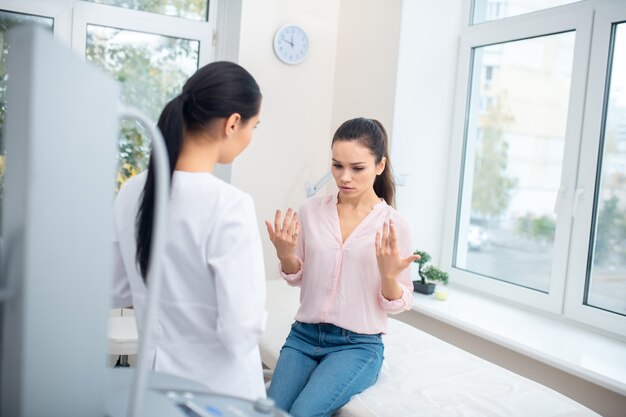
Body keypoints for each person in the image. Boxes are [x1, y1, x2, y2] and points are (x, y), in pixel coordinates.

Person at [111, 61, 267, 400]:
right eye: (254, 127)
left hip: (153, 389)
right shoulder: (230, 205)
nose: (250, 138)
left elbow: (116, 288)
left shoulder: (131, 193)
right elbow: (241, 330)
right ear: (233, 123)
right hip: (219, 394)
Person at [265, 117, 418, 416]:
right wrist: (286, 255)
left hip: (357, 346)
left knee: (301, 414)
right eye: (337, 165)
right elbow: (299, 276)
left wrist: (389, 277)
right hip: (303, 336)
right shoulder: (311, 211)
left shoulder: (395, 225)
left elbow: (400, 301)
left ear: (379, 165)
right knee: (270, 412)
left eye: (357, 168)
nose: (344, 177)